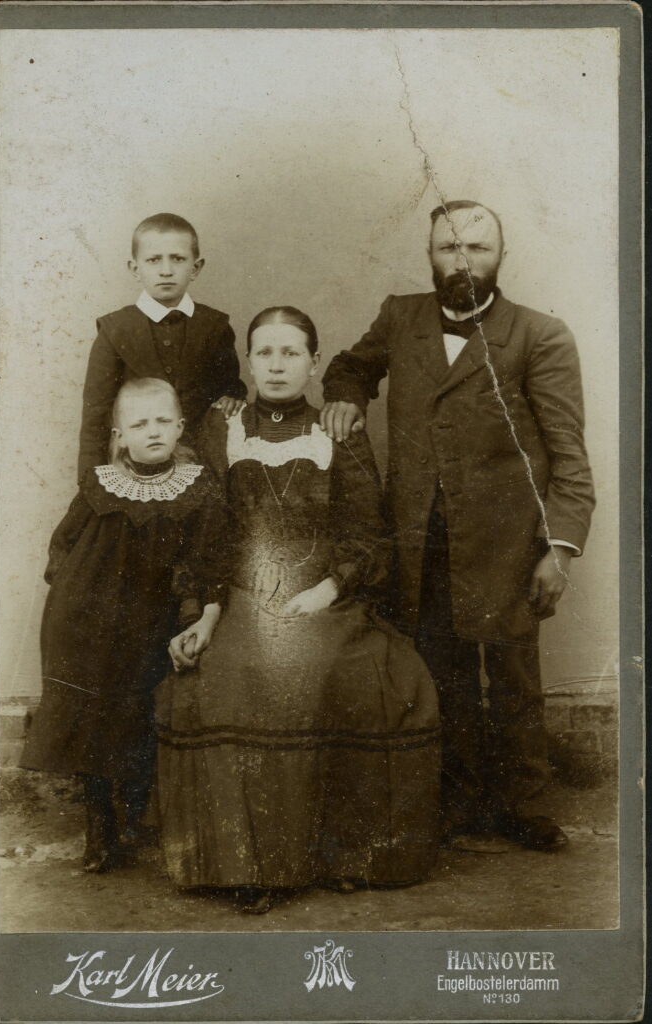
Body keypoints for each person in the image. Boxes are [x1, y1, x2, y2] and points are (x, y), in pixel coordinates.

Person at [321, 200, 595, 852]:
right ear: (429, 254)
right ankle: (457, 801)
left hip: (505, 541)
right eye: (448, 247)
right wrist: (345, 395)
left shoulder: (538, 335)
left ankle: (524, 805)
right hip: (420, 537)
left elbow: (568, 457)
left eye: (476, 247)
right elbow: (349, 364)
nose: (462, 260)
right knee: (437, 670)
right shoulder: (400, 316)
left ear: (500, 255)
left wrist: (557, 550)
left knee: (512, 679)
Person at [154, 306, 440, 914]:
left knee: (364, 675)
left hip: (326, 598)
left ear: (314, 363)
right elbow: (206, 537)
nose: (277, 365)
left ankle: (340, 853)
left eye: (291, 353)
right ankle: (249, 865)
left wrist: (325, 592)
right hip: (238, 599)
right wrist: (202, 615)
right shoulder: (219, 429)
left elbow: (369, 537)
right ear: (249, 362)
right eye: (265, 353)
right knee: (227, 680)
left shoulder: (339, 432)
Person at [21, 378, 228, 873]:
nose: (152, 431)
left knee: (139, 709)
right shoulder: (99, 484)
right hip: (90, 619)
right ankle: (100, 825)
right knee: (91, 712)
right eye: (139, 424)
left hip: (152, 617)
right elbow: (64, 542)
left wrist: (191, 609)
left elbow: (206, 558)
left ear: (180, 427)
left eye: (162, 421)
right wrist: (69, 590)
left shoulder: (199, 488)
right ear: (119, 434)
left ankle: (136, 814)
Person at [77, 212, 247, 482]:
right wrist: (91, 482)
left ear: (196, 267)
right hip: (133, 467)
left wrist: (231, 396)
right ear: (135, 268)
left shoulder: (214, 326)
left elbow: (229, 386)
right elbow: (96, 414)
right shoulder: (115, 329)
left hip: (199, 466)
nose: (166, 270)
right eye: (154, 260)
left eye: (178, 259)